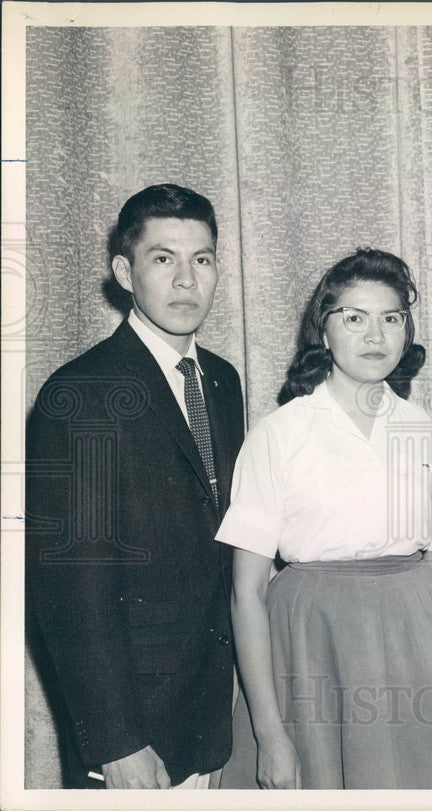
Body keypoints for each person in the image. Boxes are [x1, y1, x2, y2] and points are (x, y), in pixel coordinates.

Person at [217, 248, 432, 790]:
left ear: (407, 331)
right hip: (312, 649)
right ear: (324, 332)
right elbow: (247, 594)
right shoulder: (281, 434)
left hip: (417, 649)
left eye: (391, 318)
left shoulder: (423, 430)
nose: (375, 335)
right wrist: (270, 733)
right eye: (354, 318)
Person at [26, 184, 245, 789]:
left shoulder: (222, 383)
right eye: (162, 258)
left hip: (209, 721)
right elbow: (71, 588)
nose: (185, 281)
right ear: (124, 272)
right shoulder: (80, 394)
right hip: (132, 733)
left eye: (201, 259)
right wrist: (115, 741)